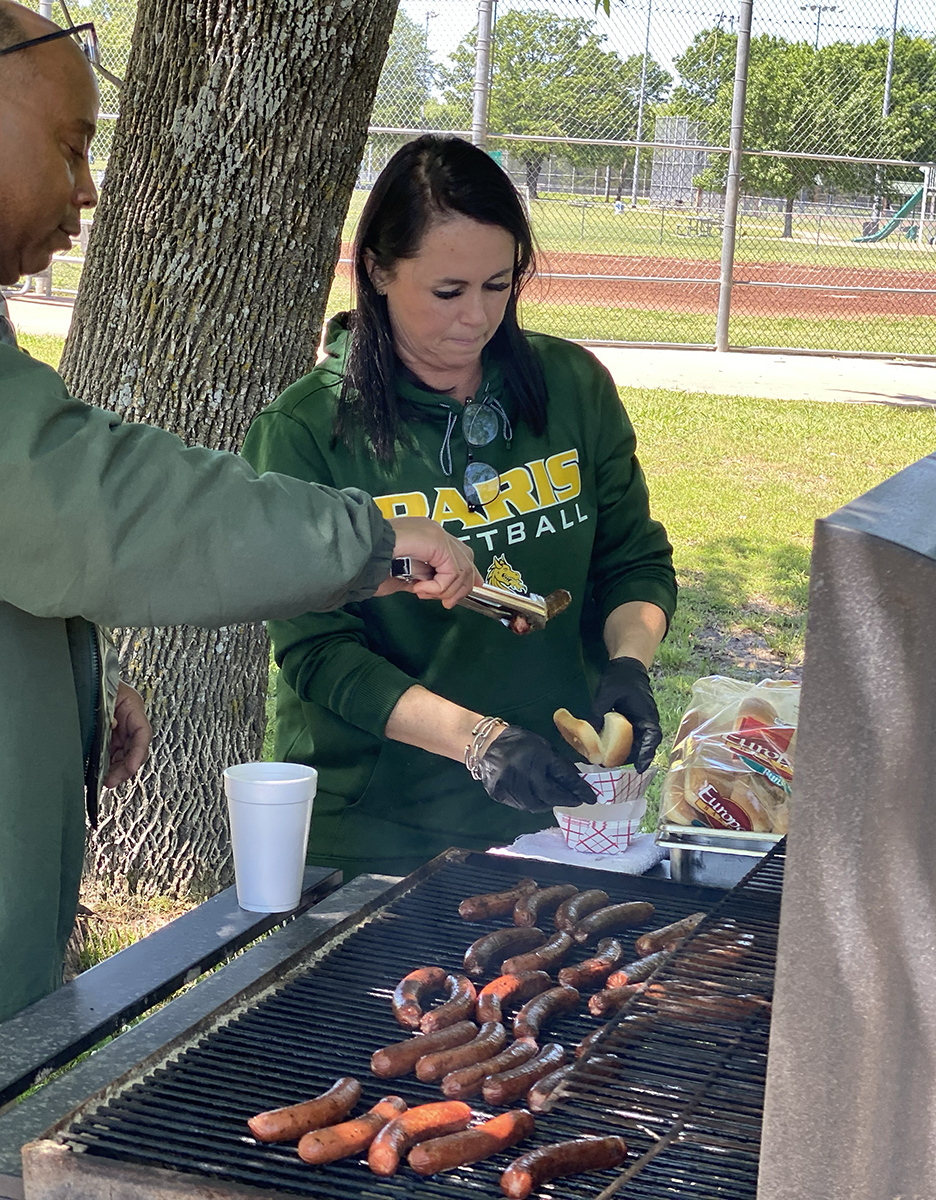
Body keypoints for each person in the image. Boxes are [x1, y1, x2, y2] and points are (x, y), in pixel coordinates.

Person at [0, 4, 478, 1191]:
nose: (90, 192)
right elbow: (90, 504)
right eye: (76, 147)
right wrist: (368, 534)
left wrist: (89, 681)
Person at [242, 135, 677, 880]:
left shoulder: (571, 385)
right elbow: (319, 653)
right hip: (379, 824)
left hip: (551, 809)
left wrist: (629, 664)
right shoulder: (305, 432)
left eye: (499, 285)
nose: (477, 317)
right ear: (377, 269)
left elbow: (632, 560)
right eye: (448, 291)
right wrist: (475, 740)